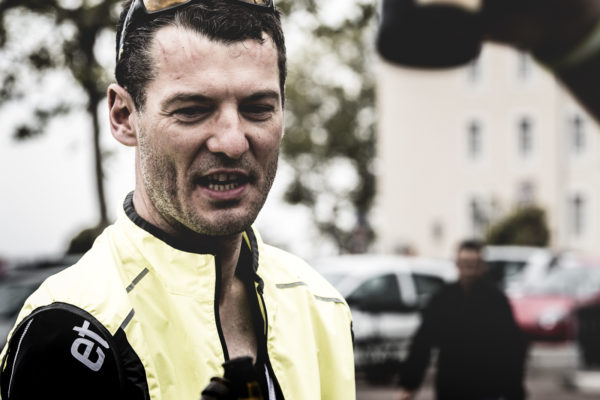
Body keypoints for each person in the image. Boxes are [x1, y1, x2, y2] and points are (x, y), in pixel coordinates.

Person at [0, 1, 355, 399]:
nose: (232, 142)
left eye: (257, 109)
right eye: (192, 111)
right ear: (123, 116)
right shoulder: (71, 328)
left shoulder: (320, 306)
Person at [398, 240, 527, 400]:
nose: (469, 270)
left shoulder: (495, 300)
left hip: (486, 387)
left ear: (481, 266)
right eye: (465, 263)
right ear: (457, 264)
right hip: (451, 386)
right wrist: (410, 384)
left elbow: (511, 347)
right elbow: (423, 341)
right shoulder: (444, 298)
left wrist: (513, 391)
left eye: (473, 264)